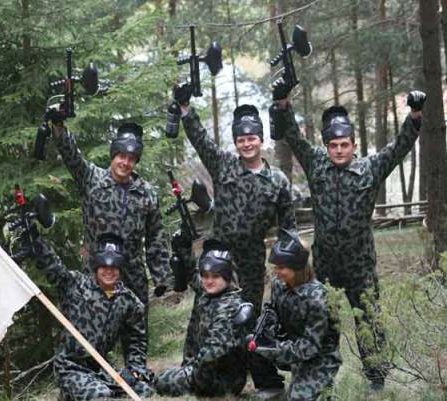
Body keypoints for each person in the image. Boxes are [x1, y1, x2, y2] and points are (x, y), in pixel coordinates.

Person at [268, 81, 426, 390]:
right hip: (325, 265)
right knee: (323, 322)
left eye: (344, 144)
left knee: (369, 321)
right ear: (326, 146)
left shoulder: (370, 168)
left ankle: (376, 380)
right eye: (333, 145)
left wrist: (415, 116)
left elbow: (399, 148)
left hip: (360, 266)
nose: (339, 150)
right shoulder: (317, 165)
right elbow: (294, 138)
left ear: (354, 145)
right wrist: (283, 103)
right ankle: (321, 377)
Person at [171, 87, 295, 395]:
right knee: (209, 313)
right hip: (219, 261)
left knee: (248, 318)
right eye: (241, 139)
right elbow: (200, 140)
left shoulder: (278, 181)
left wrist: (289, 267)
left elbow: (288, 229)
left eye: (252, 138)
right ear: (236, 142)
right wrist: (185, 108)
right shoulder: (223, 164)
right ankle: (198, 371)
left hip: (252, 261)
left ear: (261, 140)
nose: (247, 143)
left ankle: (263, 380)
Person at [52, 121, 172, 305]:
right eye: (121, 156)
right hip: (96, 277)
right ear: (113, 155)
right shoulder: (92, 179)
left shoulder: (147, 193)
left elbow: (156, 237)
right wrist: (58, 127)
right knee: (94, 322)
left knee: (134, 323)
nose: (125, 163)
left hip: (132, 279)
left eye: (131, 159)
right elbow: (72, 157)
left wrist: (162, 278)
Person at [32, 233, 152, 400]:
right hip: (71, 367)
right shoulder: (75, 285)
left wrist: (134, 370)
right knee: (100, 395)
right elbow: (52, 266)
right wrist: (35, 241)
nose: (109, 271)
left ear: (120, 268)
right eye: (104, 267)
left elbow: (137, 340)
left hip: (102, 368)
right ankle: (70, 394)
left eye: (114, 268)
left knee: (144, 390)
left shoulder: (130, 302)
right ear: (96, 266)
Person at [248, 230, 342, 401]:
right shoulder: (279, 284)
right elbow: (273, 310)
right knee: (249, 339)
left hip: (319, 358)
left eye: (281, 268)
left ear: (297, 266)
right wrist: (265, 329)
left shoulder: (318, 299)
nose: (276, 272)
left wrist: (273, 348)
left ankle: (324, 388)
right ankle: (272, 386)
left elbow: (310, 347)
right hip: (290, 347)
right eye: (275, 266)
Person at [153, 240, 251, 397]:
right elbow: (192, 275)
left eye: (215, 276)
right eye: (205, 276)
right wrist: (183, 246)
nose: (209, 281)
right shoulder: (211, 292)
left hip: (222, 381)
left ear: (226, 277)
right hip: (210, 373)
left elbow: (213, 353)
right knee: (163, 378)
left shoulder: (229, 306)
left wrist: (191, 374)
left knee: (161, 382)